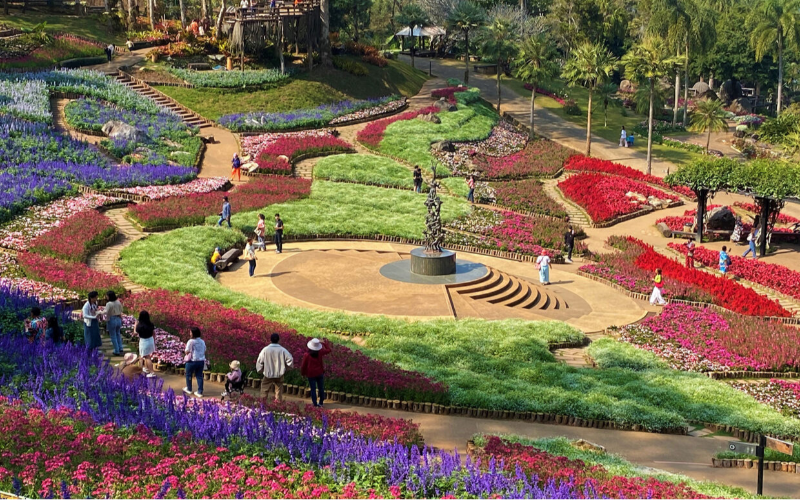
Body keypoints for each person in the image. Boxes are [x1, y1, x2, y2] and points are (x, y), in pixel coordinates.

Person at [256, 333, 294, 402]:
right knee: (278, 391)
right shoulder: (283, 350)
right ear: (278, 340)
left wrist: (261, 370)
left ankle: (263, 404)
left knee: (264, 390)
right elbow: (290, 359)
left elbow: (260, 361)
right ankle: (277, 404)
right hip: (279, 374)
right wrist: (286, 368)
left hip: (268, 374)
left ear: (270, 340)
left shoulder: (265, 349)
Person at [300, 338, 331, 407]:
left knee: (313, 389)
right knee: (321, 388)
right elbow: (329, 350)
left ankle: (314, 403)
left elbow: (303, 365)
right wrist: (324, 343)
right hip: (320, 372)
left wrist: (303, 373)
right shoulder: (320, 352)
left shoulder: (306, 355)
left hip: (311, 374)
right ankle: (321, 402)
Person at [183, 327, 206, 398]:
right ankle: (200, 392)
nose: (190, 333)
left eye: (190, 332)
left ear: (193, 333)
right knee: (199, 376)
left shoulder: (191, 341)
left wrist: (187, 352)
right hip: (201, 361)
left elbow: (187, 351)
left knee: (188, 374)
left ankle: (189, 388)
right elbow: (204, 350)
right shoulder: (202, 341)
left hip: (192, 361)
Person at [135, 311, 157, 378]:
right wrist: (154, 341)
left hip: (144, 342)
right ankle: (146, 368)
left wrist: (135, 325)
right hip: (150, 340)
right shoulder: (151, 324)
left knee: (147, 357)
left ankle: (152, 372)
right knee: (145, 355)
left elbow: (135, 332)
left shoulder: (140, 326)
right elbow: (153, 333)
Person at [104, 290, 124, 356]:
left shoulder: (109, 304)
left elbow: (106, 312)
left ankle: (116, 350)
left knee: (113, 335)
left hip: (112, 319)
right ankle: (120, 348)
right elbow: (121, 310)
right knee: (118, 334)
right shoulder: (118, 302)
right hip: (118, 318)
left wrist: (98, 312)